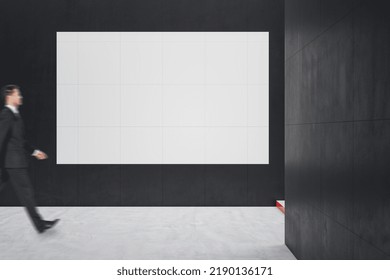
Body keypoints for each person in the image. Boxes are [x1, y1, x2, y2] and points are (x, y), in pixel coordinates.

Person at [0, 84, 59, 233]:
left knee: (25, 194)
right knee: (27, 194)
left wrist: (34, 151)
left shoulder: (15, 115)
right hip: (13, 164)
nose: (21, 97)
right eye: (18, 94)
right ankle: (40, 225)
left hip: (11, 163)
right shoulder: (7, 114)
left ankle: (40, 225)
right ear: (10, 96)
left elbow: (20, 141)